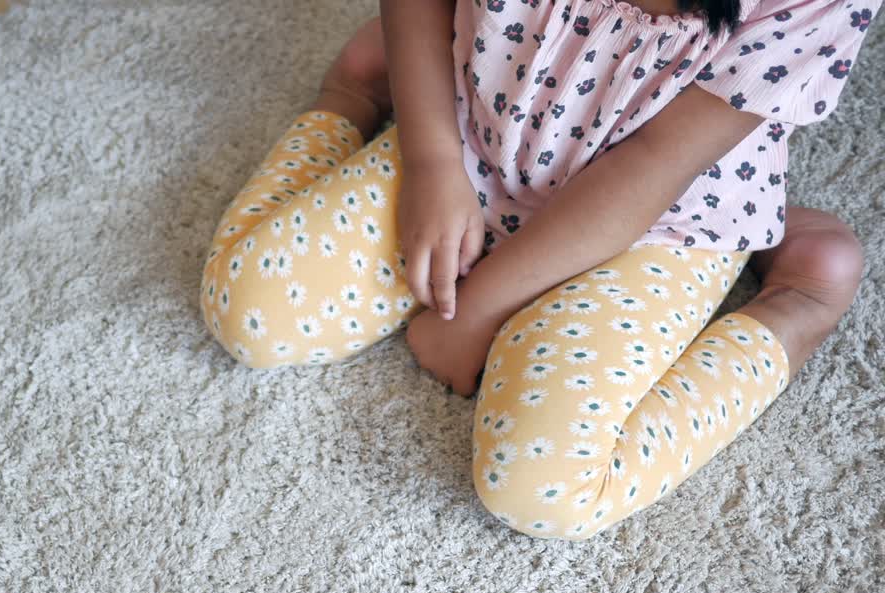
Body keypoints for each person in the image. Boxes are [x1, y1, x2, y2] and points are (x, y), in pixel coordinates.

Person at [199, 0, 878, 539]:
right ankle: (356, 86)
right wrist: (434, 161)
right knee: (250, 310)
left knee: (544, 487)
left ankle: (800, 299)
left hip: (660, 214)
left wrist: (482, 308)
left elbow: (652, 169)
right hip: (478, 132)